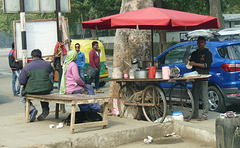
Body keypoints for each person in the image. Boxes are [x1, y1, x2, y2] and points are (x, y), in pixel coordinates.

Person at [19, 49, 53, 122]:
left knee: (21, 95)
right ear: (41, 56)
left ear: (32, 57)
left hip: (32, 90)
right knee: (43, 92)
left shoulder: (27, 67)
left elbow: (22, 81)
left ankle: (32, 109)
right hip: (46, 89)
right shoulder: (47, 64)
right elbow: (51, 73)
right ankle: (45, 110)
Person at [185, 36, 212, 121]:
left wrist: (195, 64)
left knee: (204, 97)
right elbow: (190, 64)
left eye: (201, 42)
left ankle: (205, 115)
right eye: (198, 42)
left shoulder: (207, 53)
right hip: (195, 77)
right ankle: (195, 113)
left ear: (204, 43)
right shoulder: (194, 53)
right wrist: (188, 63)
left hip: (204, 76)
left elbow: (206, 65)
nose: (200, 44)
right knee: (194, 96)